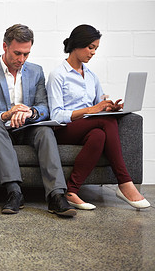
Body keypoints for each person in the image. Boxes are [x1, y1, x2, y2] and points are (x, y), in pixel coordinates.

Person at [46, 24, 150, 210]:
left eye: (96, 48)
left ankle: (71, 191)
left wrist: (110, 108)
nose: (93, 52)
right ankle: (124, 181)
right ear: (76, 45)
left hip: (89, 127)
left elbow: (98, 106)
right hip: (64, 129)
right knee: (104, 122)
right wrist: (92, 110)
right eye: (90, 47)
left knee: (99, 135)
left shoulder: (91, 76)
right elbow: (56, 114)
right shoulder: (58, 75)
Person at [0, 24, 76, 217]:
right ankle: (14, 192)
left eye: (26, 54)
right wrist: (7, 114)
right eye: (17, 53)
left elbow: (44, 107)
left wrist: (30, 113)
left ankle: (56, 195)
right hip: (1, 128)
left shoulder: (36, 71)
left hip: (28, 127)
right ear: (4, 46)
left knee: (45, 131)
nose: (21, 59)